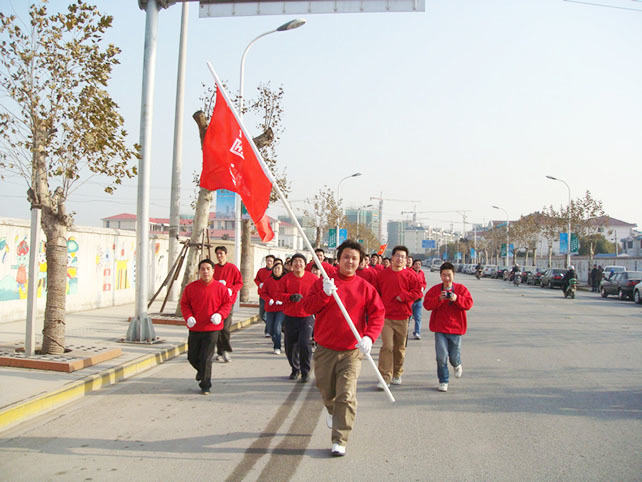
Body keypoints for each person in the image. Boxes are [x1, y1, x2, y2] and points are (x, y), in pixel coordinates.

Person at [302, 239, 385, 457]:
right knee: (326, 390)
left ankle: (340, 439)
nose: (350, 261)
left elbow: (377, 314)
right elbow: (307, 307)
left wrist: (369, 337)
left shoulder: (365, 288)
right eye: (346, 257)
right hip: (325, 349)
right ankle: (331, 409)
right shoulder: (324, 283)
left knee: (346, 395)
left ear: (360, 262)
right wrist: (324, 293)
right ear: (338, 259)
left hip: (351, 351)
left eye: (354, 258)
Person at [180, 259, 233, 395]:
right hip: (195, 328)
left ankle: (205, 384)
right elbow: (185, 304)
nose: (205, 271)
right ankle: (202, 372)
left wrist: (220, 315)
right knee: (192, 357)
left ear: (213, 271)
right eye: (203, 269)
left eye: (208, 269)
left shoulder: (220, 288)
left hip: (212, 328)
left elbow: (227, 304)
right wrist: (188, 317)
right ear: (199, 271)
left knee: (206, 357)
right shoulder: (191, 288)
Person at [374, 245, 423, 388]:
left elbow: (418, 293)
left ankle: (397, 373)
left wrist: (404, 297)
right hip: (386, 317)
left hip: (403, 316)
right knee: (387, 346)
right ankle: (384, 377)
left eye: (403, 257)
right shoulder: (382, 275)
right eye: (397, 256)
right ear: (392, 257)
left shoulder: (411, 275)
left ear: (406, 259)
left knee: (399, 348)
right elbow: (376, 293)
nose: (400, 259)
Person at [423, 261, 474, 392]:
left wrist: (457, 299)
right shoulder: (435, 290)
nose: (446, 278)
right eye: (444, 275)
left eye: (449, 275)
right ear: (440, 276)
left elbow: (468, 304)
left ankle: (457, 364)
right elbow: (427, 305)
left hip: (456, 329)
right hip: (440, 328)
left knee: (454, 356)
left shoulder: (461, 289)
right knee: (441, 356)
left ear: (454, 275)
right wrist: (439, 299)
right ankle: (443, 380)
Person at [278, 253, 318, 382]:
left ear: (305, 264)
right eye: (295, 262)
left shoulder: (313, 279)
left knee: (304, 344)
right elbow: (278, 295)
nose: (298, 264)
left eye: (301, 262)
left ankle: (305, 371)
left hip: (306, 317)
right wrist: (289, 297)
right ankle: (295, 369)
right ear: (291, 265)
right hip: (290, 316)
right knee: (290, 346)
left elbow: (320, 295)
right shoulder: (286, 279)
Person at [213, 245, 243, 363]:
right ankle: (220, 351)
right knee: (216, 328)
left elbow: (239, 283)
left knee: (225, 328)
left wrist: (231, 289)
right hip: (215, 303)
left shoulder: (232, 268)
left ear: (226, 254)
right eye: (218, 254)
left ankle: (225, 350)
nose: (219, 256)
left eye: (221, 253)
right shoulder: (213, 268)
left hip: (227, 303)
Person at [260, 261, 285, 354]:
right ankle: (276, 341)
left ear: (282, 270)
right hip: (270, 308)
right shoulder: (268, 280)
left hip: (281, 309)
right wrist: (268, 299)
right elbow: (263, 293)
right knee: (270, 328)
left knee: (277, 327)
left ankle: (277, 347)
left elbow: (288, 292)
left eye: (279, 268)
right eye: (275, 268)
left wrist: (282, 299)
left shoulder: (285, 280)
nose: (276, 270)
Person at [254, 254, 275, 337]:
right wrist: (260, 284)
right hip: (262, 295)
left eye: (271, 261)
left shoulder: (275, 272)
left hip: (271, 297)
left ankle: (268, 330)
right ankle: (271, 325)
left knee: (269, 313)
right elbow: (256, 279)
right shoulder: (261, 271)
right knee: (262, 314)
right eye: (268, 261)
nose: (269, 262)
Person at [410, 259, 427, 340]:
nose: (417, 265)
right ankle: (404, 332)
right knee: (408, 318)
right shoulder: (409, 272)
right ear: (413, 265)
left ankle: (417, 332)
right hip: (410, 299)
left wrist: (423, 287)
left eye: (419, 264)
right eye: (416, 264)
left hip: (419, 299)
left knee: (418, 317)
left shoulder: (422, 273)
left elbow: (424, 282)